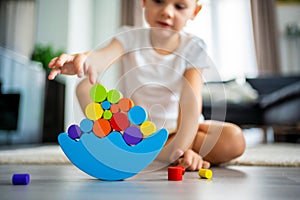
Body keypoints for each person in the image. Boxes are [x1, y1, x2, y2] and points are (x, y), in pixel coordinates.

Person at [48, 0, 245, 171]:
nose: (167, 12)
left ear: (194, 12)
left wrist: (183, 147)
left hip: (178, 131)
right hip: (133, 132)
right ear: (144, 1)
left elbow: (190, 101)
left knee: (233, 139)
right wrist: (83, 61)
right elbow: (101, 58)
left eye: (179, 6)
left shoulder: (193, 47)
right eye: (159, 1)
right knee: (84, 86)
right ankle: (144, 151)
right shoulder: (129, 37)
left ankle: (159, 154)